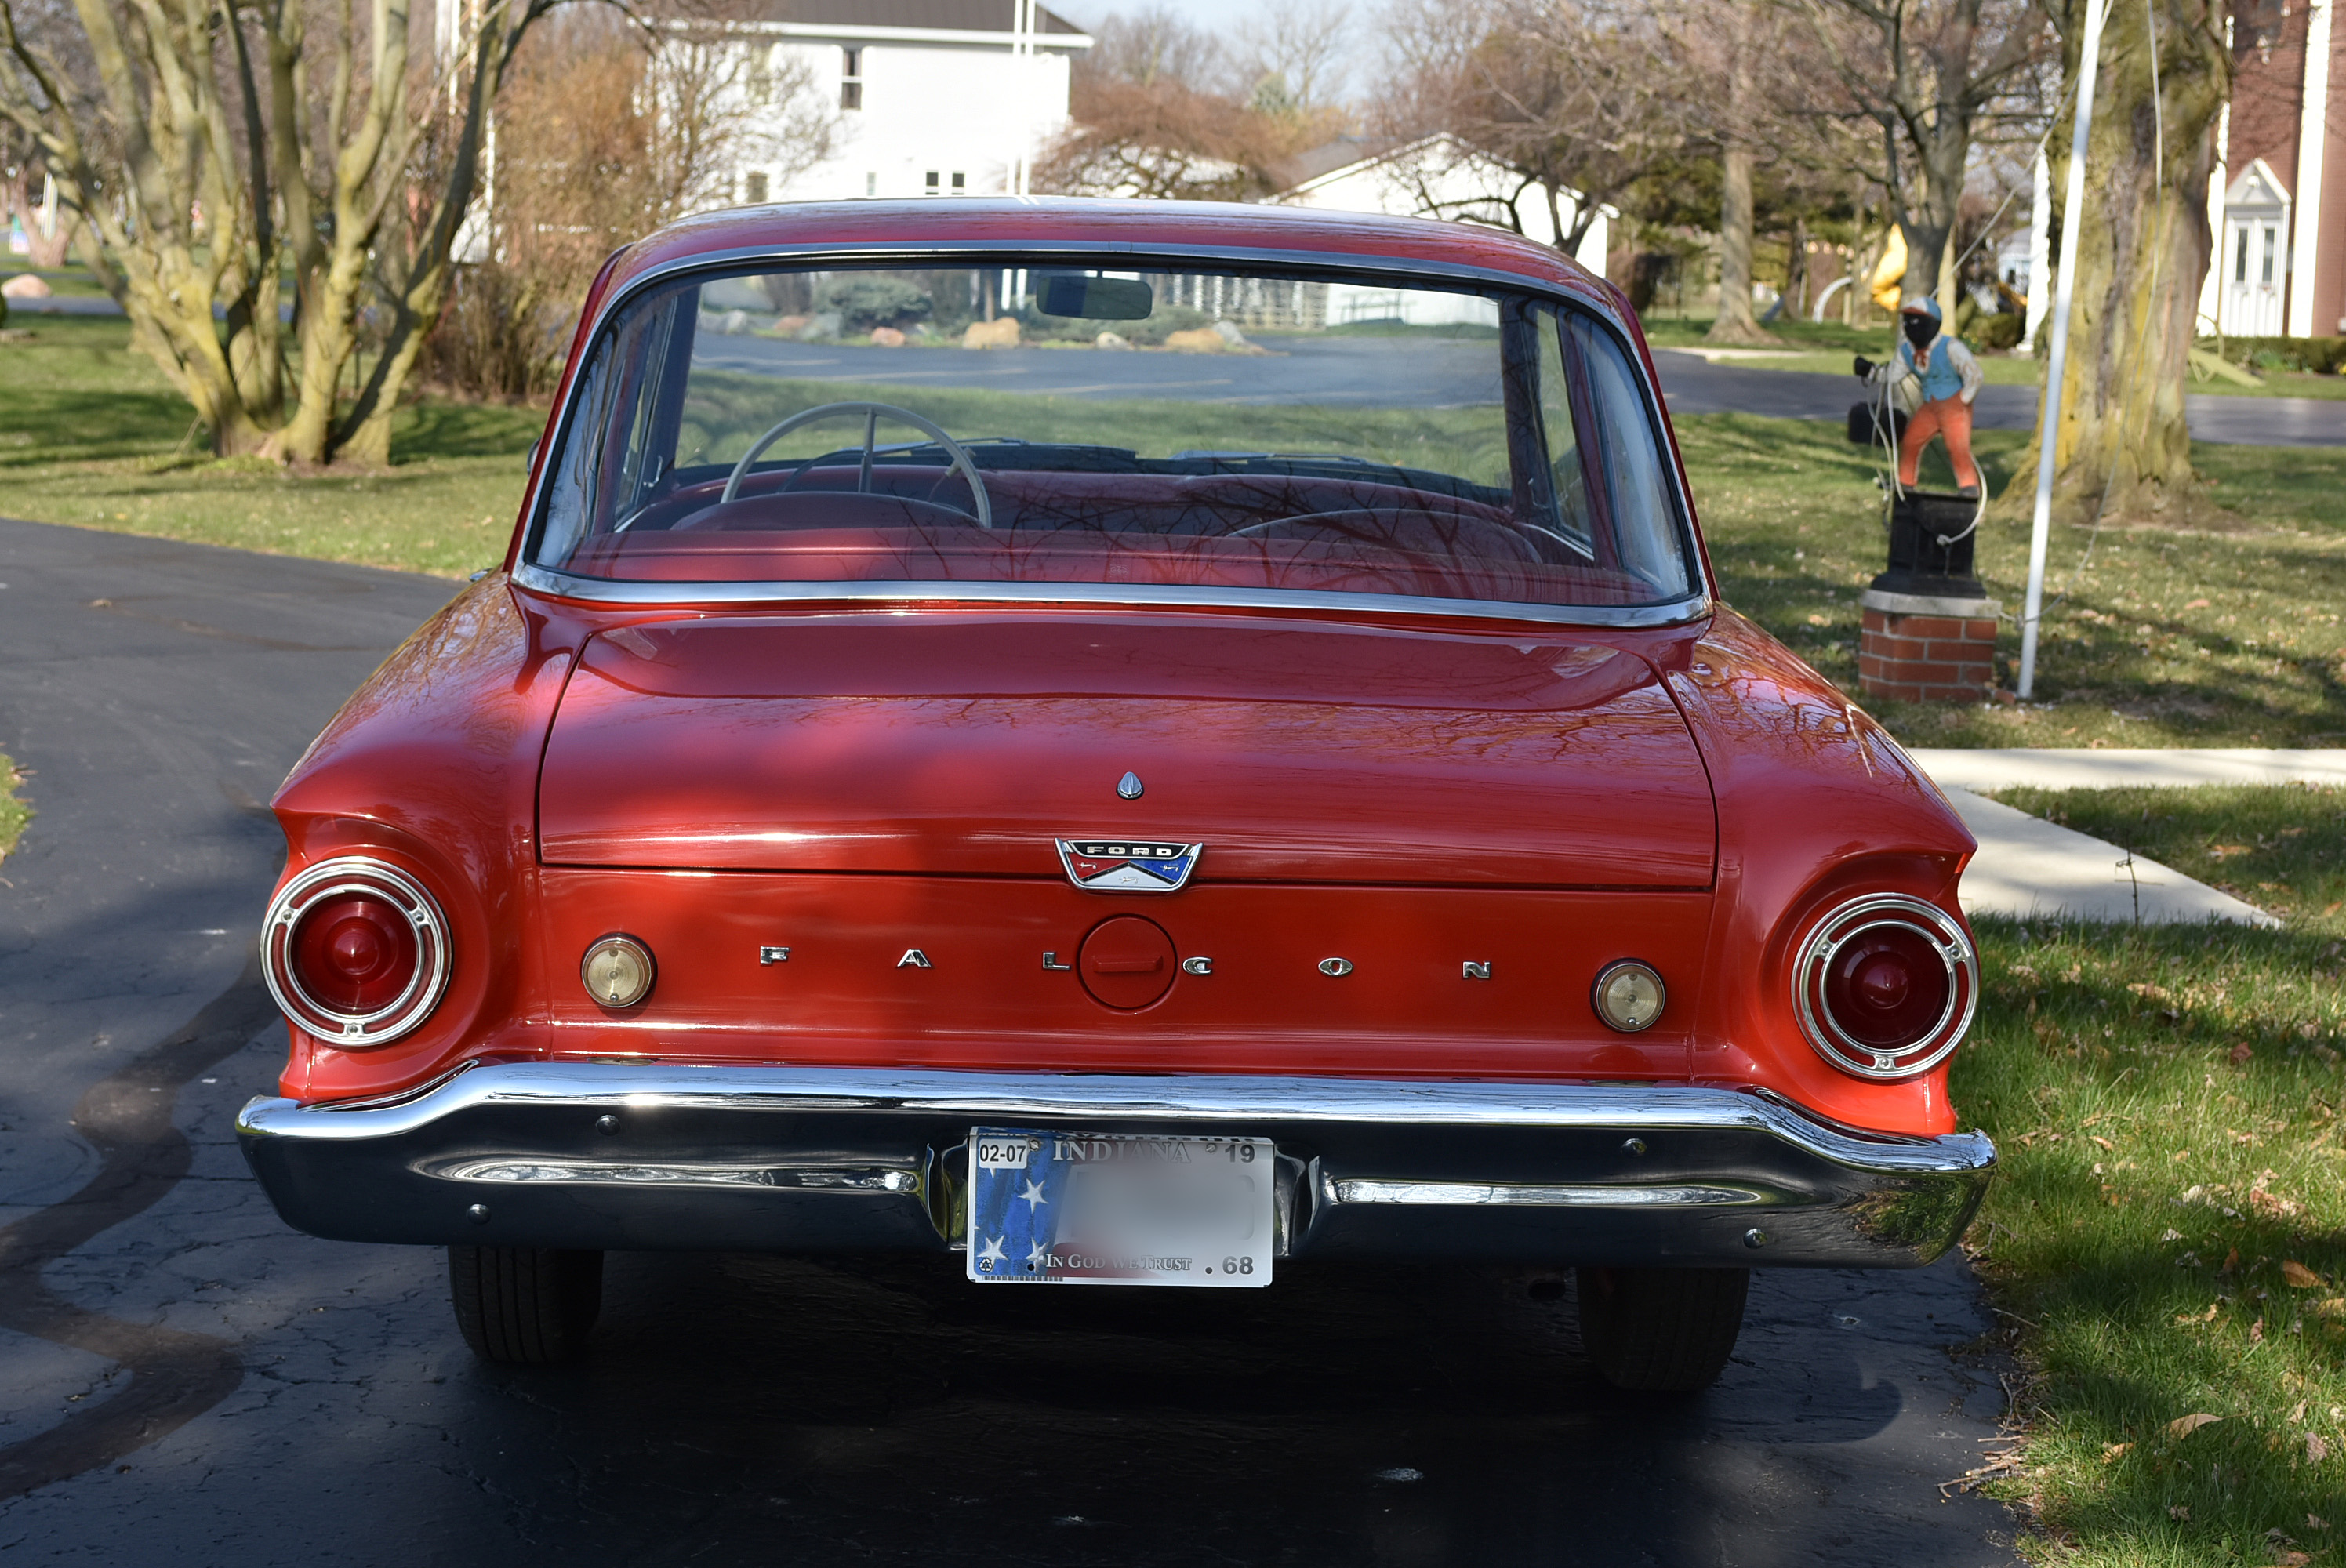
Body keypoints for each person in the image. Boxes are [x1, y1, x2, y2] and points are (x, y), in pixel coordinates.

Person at [1853, 296, 1985, 496]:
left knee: (1957, 447)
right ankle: (1905, 482)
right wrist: (1870, 371)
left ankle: (1969, 487)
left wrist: (1963, 400)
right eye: (1907, 321)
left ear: (1932, 323)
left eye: (1916, 321)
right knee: (1911, 440)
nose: (1909, 326)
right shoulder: (1906, 351)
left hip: (1954, 405)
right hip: (1930, 406)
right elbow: (1893, 375)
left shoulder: (1951, 347)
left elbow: (1974, 375)